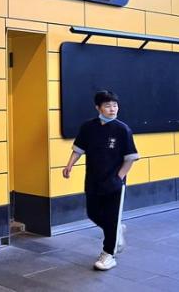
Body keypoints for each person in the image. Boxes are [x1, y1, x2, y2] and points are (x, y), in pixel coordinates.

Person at [62, 90, 139, 271]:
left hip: (114, 183)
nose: (112, 109)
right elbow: (79, 149)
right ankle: (117, 230)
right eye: (107, 106)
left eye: (115, 105)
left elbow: (131, 158)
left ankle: (108, 254)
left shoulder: (122, 129)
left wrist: (118, 179)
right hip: (93, 179)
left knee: (111, 218)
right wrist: (69, 165)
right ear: (98, 108)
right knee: (93, 214)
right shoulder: (88, 127)